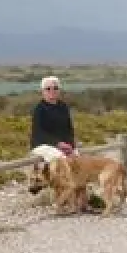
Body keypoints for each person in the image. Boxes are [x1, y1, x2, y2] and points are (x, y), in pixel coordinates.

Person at [29, 75, 90, 211]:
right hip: (43, 144)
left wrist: (70, 145)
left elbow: (69, 129)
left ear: (59, 90)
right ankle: (63, 200)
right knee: (62, 162)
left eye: (55, 88)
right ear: (43, 91)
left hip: (63, 145)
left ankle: (82, 202)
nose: (52, 91)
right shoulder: (39, 109)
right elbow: (40, 133)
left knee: (78, 162)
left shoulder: (63, 107)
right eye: (48, 88)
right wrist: (58, 144)